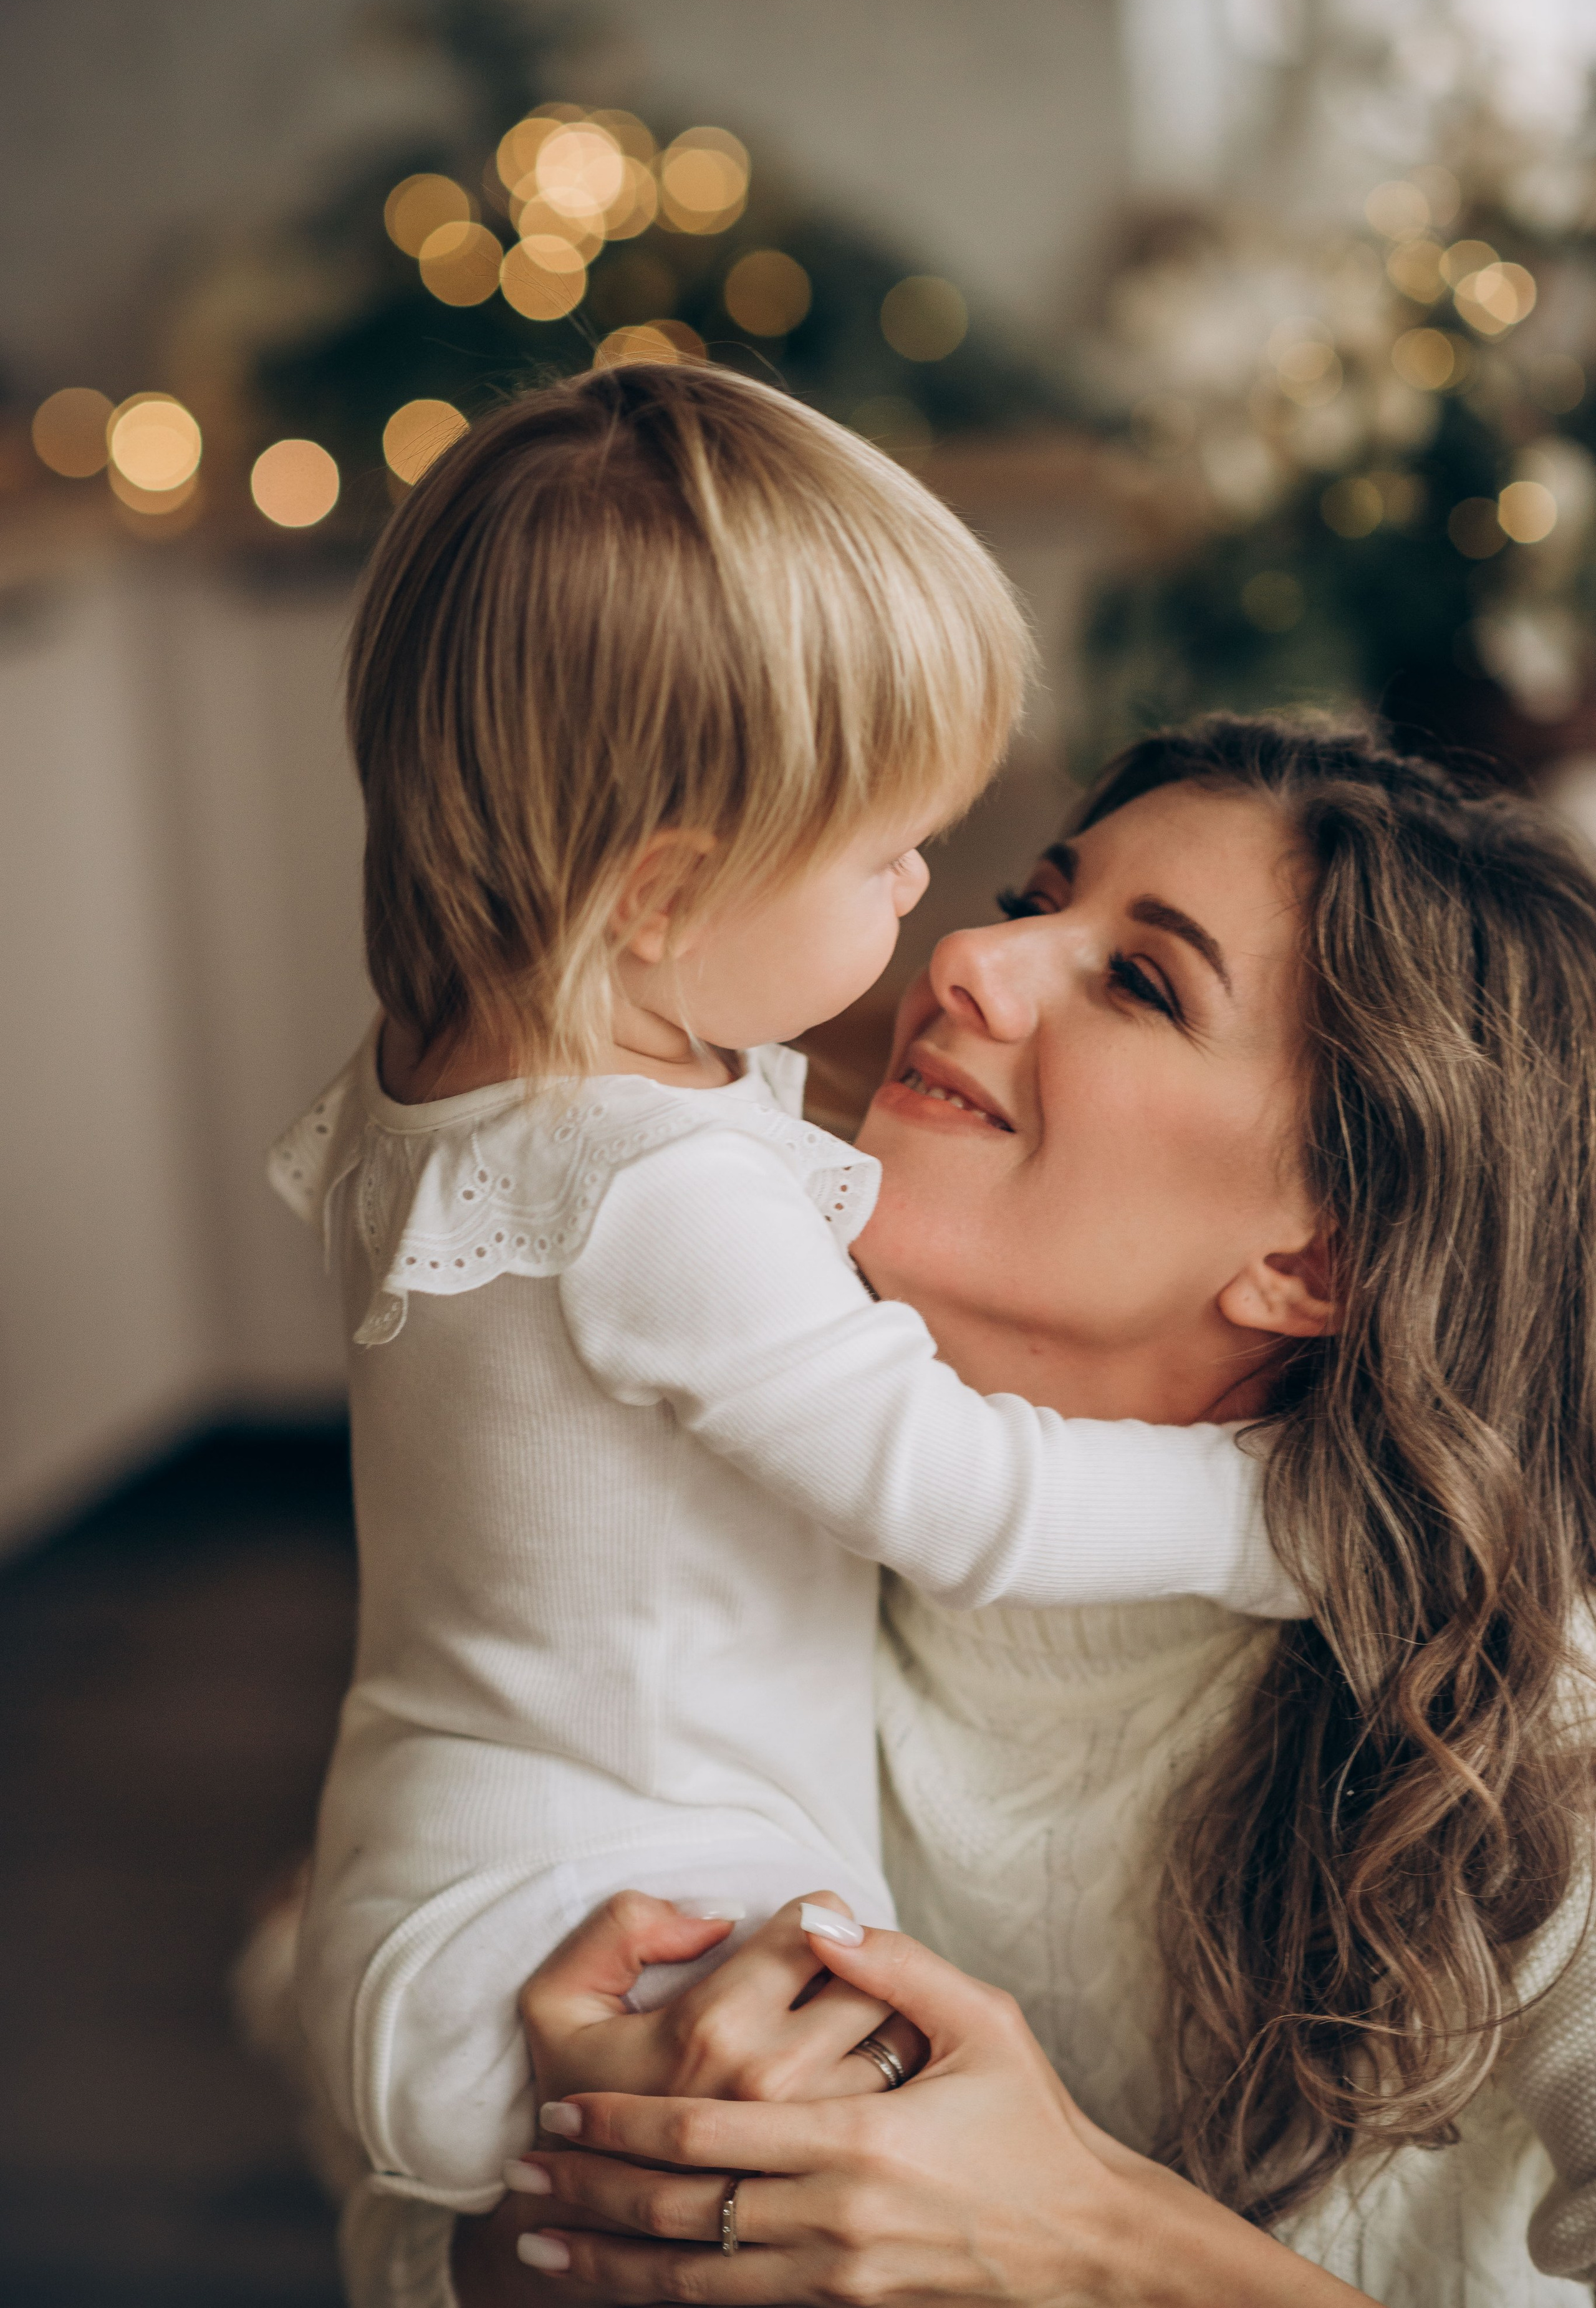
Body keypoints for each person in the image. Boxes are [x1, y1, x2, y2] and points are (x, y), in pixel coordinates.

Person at [383, 715, 1596, 2308]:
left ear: (1314, 1261)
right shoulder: (704, 1480)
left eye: (1140, 982)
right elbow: (418, 2247)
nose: (965, 953)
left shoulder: (1523, 1717)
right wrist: (584, 2193)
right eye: (1035, 900)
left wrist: (1086, 2239)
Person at [269, 370, 1294, 2224]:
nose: (940, 909)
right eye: (891, 849)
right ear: (661, 895)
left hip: (445, 1871)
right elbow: (962, 1494)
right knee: (923, 2171)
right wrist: (1276, 1511)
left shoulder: (451, 1079)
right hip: (615, 1916)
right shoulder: (650, 1191)